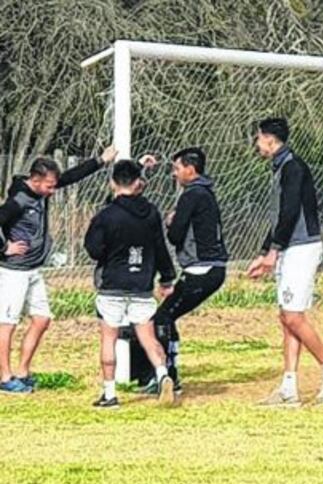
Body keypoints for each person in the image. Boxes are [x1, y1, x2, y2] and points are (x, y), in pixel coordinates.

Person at [0, 145, 117, 394]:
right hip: (13, 271)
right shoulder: (19, 199)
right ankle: (5, 376)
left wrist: (100, 161)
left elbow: (70, 177)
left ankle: (23, 370)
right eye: (50, 186)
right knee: (7, 323)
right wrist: (5, 248)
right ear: (36, 180)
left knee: (42, 319)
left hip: (34, 269)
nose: (54, 190)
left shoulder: (43, 192)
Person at [246, 117, 323, 407]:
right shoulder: (279, 167)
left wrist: (274, 251)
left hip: (301, 248)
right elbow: (280, 217)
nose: (257, 144)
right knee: (285, 317)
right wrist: (265, 251)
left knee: (293, 316)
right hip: (290, 248)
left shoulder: (293, 167)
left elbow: (290, 212)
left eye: (258, 138)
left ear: (270, 139)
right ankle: (289, 387)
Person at [84, 159, 177, 408]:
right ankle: (163, 375)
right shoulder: (151, 213)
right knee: (148, 337)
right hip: (142, 285)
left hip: (112, 285)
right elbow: (160, 247)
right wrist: (167, 277)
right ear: (139, 183)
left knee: (108, 338)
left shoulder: (106, 215)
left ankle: (110, 393)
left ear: (113, 183)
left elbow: (93, 249)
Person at [138, 148, 228, 394]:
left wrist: (170, 222)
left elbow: (176, 234)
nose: (174, 174)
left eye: (176, 168)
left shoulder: (191, 195)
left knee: (162, 318)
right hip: (211, 268)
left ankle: (167, 376)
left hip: (202, 269)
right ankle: (169, 373)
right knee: (167, 315)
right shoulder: (206, 192)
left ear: (190, 169)